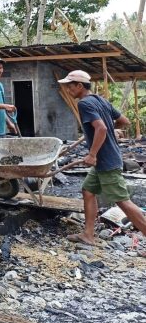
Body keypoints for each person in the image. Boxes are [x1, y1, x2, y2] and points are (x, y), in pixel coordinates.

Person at [58, 70, 146, 245]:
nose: (68, 90)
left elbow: (102, 129)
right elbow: (124, 121)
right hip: (106, 160)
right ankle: (88, 235)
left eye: (70, 86)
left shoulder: (84, 104)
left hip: (106, 161)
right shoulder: (101, 100)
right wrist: (109, 128)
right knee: (88, 191)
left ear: (79, 86)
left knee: (123, 202)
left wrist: (92, 154)